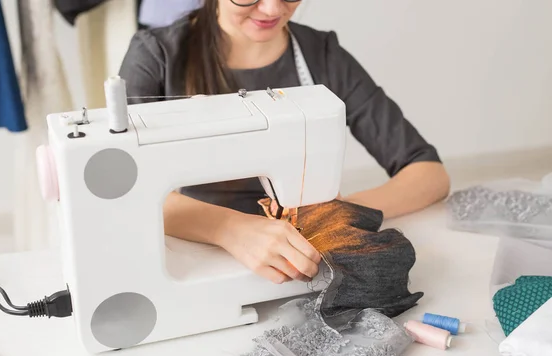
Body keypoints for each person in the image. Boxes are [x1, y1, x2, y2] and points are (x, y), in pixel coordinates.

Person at [118, 0, 450, 285]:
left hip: (301, 258)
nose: (273, 8)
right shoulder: (156, 56)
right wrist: (230, 228)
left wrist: (337, 210)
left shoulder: (321, 55)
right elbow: (129, 194)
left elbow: (429, 173)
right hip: (191, 254)